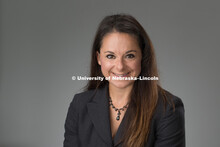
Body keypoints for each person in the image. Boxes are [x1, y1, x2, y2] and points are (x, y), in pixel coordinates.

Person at [63, 14, 185, 147]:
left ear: (142, 57)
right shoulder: (79, 105)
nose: (120, 66)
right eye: (110, 56)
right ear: (98, 58)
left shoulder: (168, 108)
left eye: (129, 56)